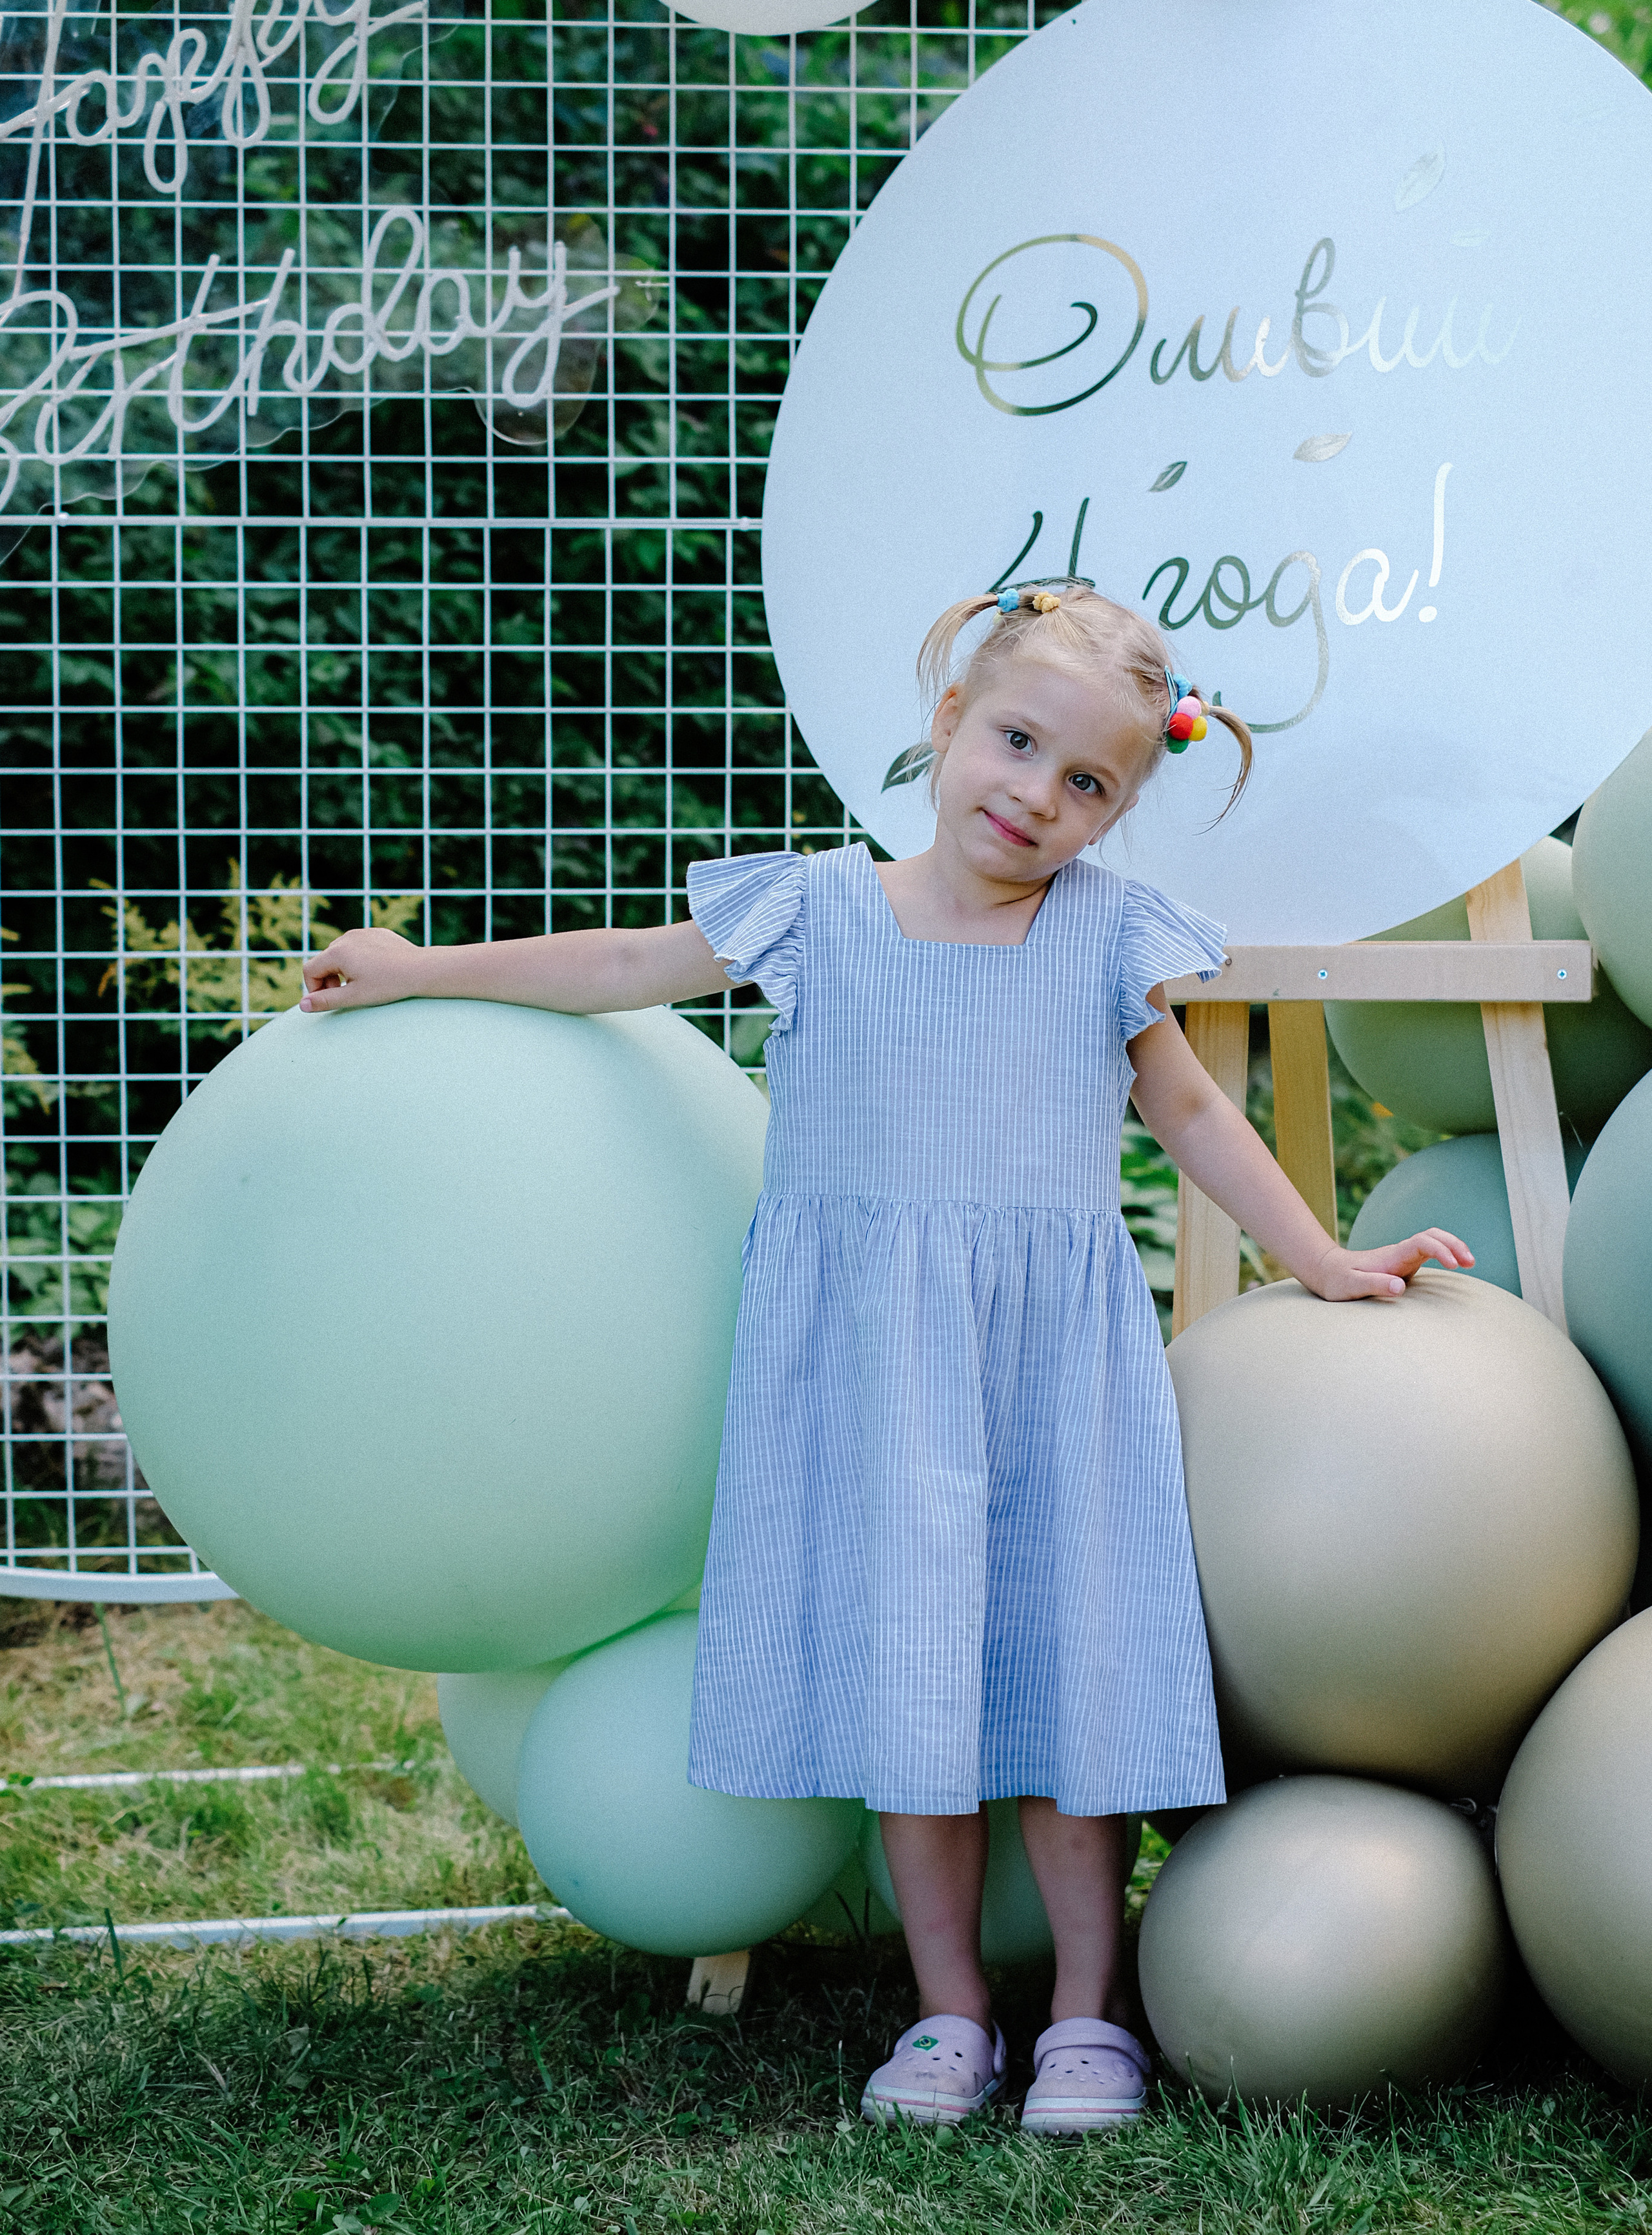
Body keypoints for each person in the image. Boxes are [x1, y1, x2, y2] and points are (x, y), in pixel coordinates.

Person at [299, 580, 1470, 2137]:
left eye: (1086, 785)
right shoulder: (818, 915)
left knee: (1068, 1695)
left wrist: (1314, 1256)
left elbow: (1188, 1113)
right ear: (944, 721)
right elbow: (620, 970)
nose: (1034, 797)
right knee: (910, 1708)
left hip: (1047, 1384)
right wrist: (419, 967)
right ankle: (945, 2018)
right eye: (1014, 741)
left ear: (1116, 809)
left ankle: (1082, 2019)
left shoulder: (1100, 938)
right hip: (872, 1386)